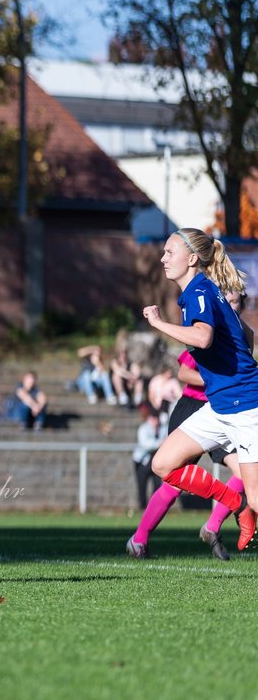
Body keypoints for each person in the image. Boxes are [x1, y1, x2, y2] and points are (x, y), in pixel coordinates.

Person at [141, 228, 258, 553]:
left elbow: (203, 337)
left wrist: (159, 324)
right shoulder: (205, 290)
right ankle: (236, 502)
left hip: (246, 406)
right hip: (221, 406)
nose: (163, 258)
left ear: (191, 258)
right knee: (163, 464)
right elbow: (246, 335)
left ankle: (247, 504)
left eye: (170, 252)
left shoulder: (199, 292)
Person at [128, 289, 252, 560]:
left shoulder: (239, 335)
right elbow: (184, 371)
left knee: (245, 474)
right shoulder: (206, 328)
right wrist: (218, 384)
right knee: (174, 480)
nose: (229, 305)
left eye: (234, 302)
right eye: (226, 300)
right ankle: (139, 539)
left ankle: (212, 525)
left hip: (225, 413)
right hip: (194, 409)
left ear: (242, 306)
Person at [131, 406, 165, 509]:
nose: (155, 421)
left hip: (156, 462)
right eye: (153, 418)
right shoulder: (143, 428)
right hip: (142, 462)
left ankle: (154, 507)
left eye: (157, 418)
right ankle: (142, 507)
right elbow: (145, 444)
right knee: (142, 486)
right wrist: (159, 443)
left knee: (157, 486)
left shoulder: (162, 428)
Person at [110, 331, 144, 408]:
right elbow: (118, 371)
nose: (123, 355)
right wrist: (130, 376)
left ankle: (138, 399)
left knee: (139, 380)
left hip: (129, 383)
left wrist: (133, 377)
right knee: (116, 376)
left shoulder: (130, 362)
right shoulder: (114, 361)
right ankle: (123, 398)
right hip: (118, 385)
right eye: (121, 353)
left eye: (125, 352)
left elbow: (137, 371)